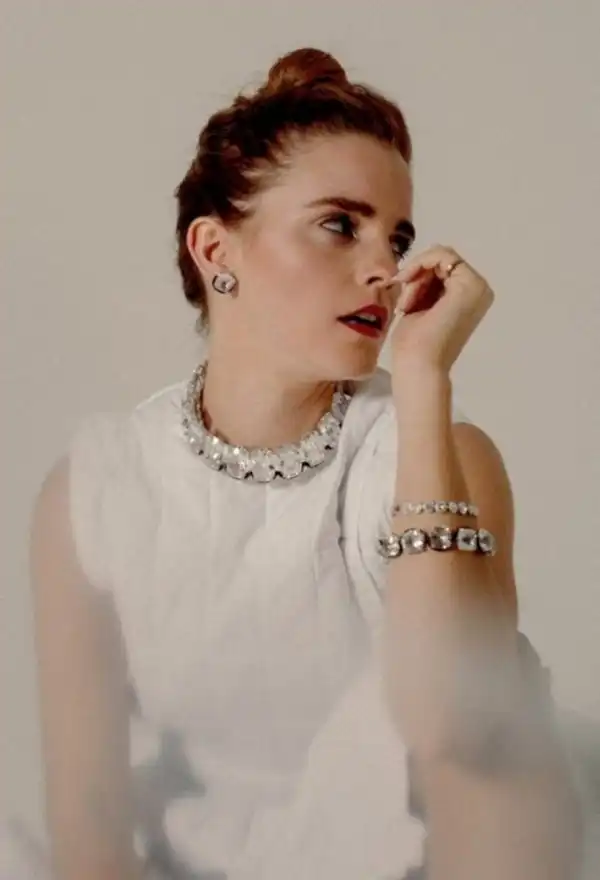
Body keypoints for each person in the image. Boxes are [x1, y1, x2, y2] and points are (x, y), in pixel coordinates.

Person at [17, 47, 582, 879]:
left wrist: (424, 377)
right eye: (340, 225)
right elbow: (89, 821)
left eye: (397, 238)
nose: (385, 270)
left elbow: (457, 727)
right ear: (216, 251)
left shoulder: (439, 451)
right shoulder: (95, 492)